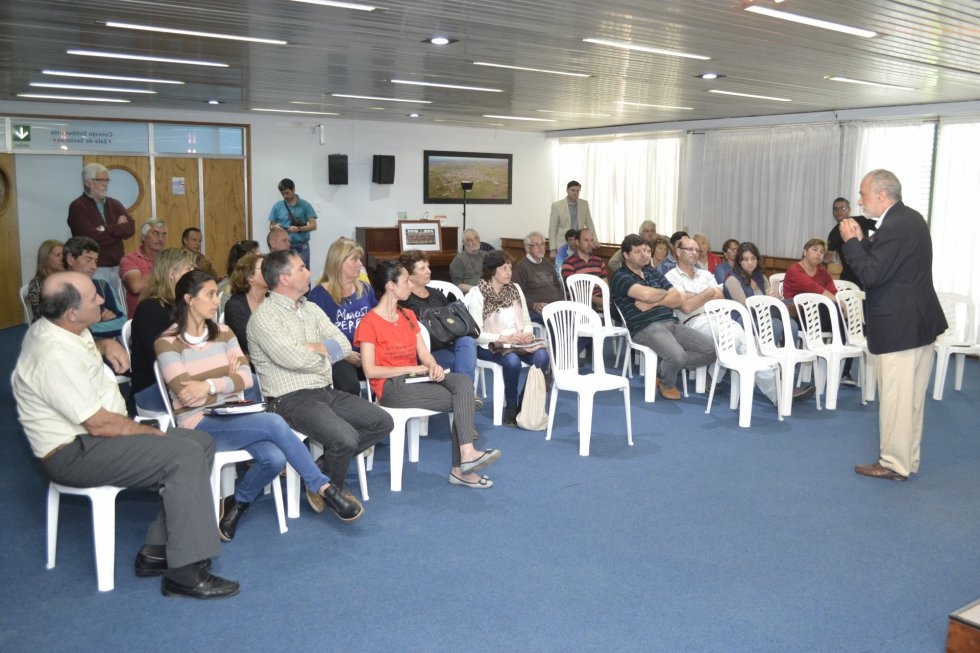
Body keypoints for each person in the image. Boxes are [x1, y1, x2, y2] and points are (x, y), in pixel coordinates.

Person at [12, 271, 239, 599]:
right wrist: (147, 431)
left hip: (93, 437)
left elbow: (81, 362)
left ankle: (157, 551)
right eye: (93, 297)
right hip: (73, 451)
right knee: (183, 453)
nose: (102, 299)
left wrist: (104, 343)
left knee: (200, 442)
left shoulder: (63, 327)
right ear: (72, 313)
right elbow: (99, 424)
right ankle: (184, 573)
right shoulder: (52, 355)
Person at [155, 270, 363, 539]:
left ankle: (237, 503)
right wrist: (225, 380)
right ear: (188, 299)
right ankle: (324, 488)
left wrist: (207, 386)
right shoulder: (167, 343)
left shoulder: (224, 333)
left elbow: (246, 378)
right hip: (198, 422)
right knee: (274, 421)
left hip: (234, 414)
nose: (217, 301)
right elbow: (186, 395)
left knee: (275, 458)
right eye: (210, 295)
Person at [247, 250, 393, 504]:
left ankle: (319, 474)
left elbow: (343, 345)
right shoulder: (264, 317)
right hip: (288, 399)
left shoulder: (311, 308)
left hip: (325, 390)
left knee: (382, 421)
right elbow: (293, 359)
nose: (309, 273)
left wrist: (313, 349)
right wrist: (325, 352)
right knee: (345, 438)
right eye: (302, 268)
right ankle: (331, 490)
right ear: (284, 278)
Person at [355, 259, 500, 489]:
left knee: (463, 382)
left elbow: (424, 353)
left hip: (416, 378)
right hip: (391, 387)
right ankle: (462, 466)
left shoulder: (407, 316)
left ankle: (466, 456)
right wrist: (409, 369)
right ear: (391, 286)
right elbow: (369, 370)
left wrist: (433, 366)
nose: (410, 285)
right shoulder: (369, 322)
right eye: (406, 281)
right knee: (463, 400)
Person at [841, 169, 947, 481]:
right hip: (916, 323)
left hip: (900, 326)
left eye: (863, 195)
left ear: (882, 195)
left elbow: (871, 274)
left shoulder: (896, 225)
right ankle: (906, 459)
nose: (860, 201)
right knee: (910, 401)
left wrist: (851, 243)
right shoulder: (909, 219)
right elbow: (888, 264)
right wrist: (863, 241)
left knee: (896, 399)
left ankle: (892, 463)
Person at [611, 234, 716, 400]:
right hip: (645, 326)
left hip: (671, 322)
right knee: (677, 356)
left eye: (646, 251)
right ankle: (667, 383)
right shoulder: (620, 276)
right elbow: (646, 295)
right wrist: (664, 294)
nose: (644, 255)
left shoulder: (652, 272)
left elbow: (677, 298)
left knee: (711, 350)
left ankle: (661, 369)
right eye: (638, 251)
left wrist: (654, 302)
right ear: (626, 255)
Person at [467, 251, 550, 426]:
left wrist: (527, 333)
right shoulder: (478, 294)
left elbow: (526, 321)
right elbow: (477, 334)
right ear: (492, 271)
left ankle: (523, 403)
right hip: (490, 344)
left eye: (510, 268)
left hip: (517, 341)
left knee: (542, 357)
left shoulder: (515, 289)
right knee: (512, 361)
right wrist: (503, 337)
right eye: (504, 268)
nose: (509, 272)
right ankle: (511, 406)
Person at [399, 249, 479, 398]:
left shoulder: (437, 293)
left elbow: (452, 320)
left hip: (448, 341)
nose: (429, 271)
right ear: (409, 274)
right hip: (427, 349)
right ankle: (467, 394)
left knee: (468, 341)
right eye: (422, 269)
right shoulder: (404, 299)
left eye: (428, 267)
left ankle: (465, 393)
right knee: (457, 361)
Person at [131, 248, 197, 412]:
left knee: (245, 382)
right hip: (155, 386)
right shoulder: (149, 309)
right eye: (189, 268)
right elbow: (161, 358)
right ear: (172, 273)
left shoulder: (185, 305)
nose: (195, 273)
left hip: (187, 376)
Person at [308, 237, 377, 395]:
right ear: (338, 262)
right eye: (355, 259)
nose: (360, 264)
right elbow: (314, 336)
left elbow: (377, 322)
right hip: (338, 357)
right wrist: (345, 354)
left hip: (369, 351)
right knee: (348, 385)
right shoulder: (318, 296)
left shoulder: (365, 289)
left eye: (359, 259)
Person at [782, 238, 855, 386]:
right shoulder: (795, 269)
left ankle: (842, 366)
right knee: (834, 308)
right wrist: (839, 303)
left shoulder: (823, 273)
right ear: (805, 252)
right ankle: (840, 364)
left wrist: (843, 305)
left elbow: (834, 292)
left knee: (850, 319)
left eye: (822, 252)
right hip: (799, 317)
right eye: (815, 250)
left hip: (820, 318)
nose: (818, 254)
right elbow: (815, 289)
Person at [66, 163, 136, 290]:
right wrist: (118, 229)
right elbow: (91, 239)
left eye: (107, 180)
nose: (105, 184)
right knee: (97, 300)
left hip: (117, 266)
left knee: (117, 302)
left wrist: (106, 228)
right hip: (93, 268)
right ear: (87, 183)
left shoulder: (114, 203)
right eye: (100, 180)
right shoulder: (77, 206)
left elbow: (130, 228)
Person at [723, 241, 797, 347]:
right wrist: (766, 301)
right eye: (745, 259)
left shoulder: (761, 277)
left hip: (764, 314)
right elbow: (744, 306)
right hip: (743, 318)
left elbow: (771, 300)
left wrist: (774, 297)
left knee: (791, 324)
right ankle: (768, 356)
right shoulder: (732, 279)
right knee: (774, 324)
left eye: (753, 258)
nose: (750, 262)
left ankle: (788, 357)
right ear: (739, 261)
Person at [63, 236, 127, 340]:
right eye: (88, 260)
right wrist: (104, 324)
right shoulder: (57, 290)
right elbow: (64, 329)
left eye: (95, 261)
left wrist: (90, 328)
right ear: (71, 259)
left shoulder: (101, 285)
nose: (94, 266)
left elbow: (122, 321)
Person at [511, 230, 564, 323]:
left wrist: (561, 301)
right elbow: (515, 294)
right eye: (536, 245)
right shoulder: (521, 267)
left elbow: (558, 285)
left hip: (556, 305)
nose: (541, 248)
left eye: (542, 244)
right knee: (559, 322)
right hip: (537, 309)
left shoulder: (547, 263)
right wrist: (533, 305)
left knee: (577, 317)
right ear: (528, 248)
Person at [825, 197, 877, 287]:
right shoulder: (833, 233)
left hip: (866, 268)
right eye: (835, 209)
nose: (839, 211)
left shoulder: (861, 220)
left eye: (842, 208)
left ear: (849, 210)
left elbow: (884, 226)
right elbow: (829, 257)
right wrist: (819, 255)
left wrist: (869, 239)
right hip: (848, 274)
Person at [223, 253, 266, 361]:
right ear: (249, 276)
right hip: (250, 365)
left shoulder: (273, 300)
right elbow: (251, 346)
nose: (270, 271)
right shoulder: (235, 306)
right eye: (264, 268)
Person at [120, 218, 168, 316]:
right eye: (155, 234)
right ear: (143, 237)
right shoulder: (130, 259)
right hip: (141, 316)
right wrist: (165, 273)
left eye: (164, 234)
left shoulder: (169, 258)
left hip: (168, 313)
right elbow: (136, 286)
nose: (161, 239)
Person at [268, 178, 317, 269]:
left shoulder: (305, 205)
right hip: (282, 246)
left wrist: (298, 229)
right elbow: (271, 226)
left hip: (301, 245)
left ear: (293, 189)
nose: (285, 196)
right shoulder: (277, 206)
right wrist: (275, 227)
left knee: (303, 271)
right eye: (282, 193)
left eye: (287, 193)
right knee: (282, 271)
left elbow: (313, 225)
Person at [560, 228, 606, 310]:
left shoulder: (599, 261)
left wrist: (605, 299)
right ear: (577, 242)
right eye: (586, 240)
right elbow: (574, 290)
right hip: (579, 304)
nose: (590, 244)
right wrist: (595, 300)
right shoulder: (569, 263)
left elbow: (605, 285)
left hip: (600, 300)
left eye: (591, 240)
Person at [548, 180, 596, 259]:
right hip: (563, 243)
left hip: (579, 243)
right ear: (567, 190)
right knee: (563, 265)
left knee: (579, 264)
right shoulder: (557, 205)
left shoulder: (584, 204)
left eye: (578, 191)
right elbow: (552, 229)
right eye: (573, 190)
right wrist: (552, 249)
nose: (575, 193)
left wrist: (595, 240)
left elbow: (589, 224)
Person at [26, 239, 64, 322]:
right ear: (45, 260)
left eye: (64, 255)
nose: (62, 258)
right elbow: (39, 316)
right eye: (58, 255)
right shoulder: (36, 284)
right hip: (45, 326)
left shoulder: (66, 279)